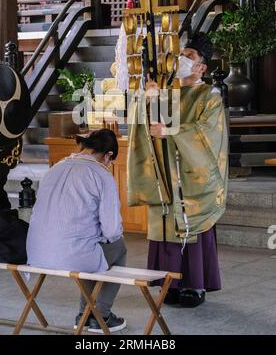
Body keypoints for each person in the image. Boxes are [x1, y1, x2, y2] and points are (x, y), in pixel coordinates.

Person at [128, 33, 228, 307]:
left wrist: (171, 131)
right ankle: (166, 281)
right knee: (165, 223)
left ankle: (194, 284)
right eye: (181, 54)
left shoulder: (210, 95)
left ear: (202, 68)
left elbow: (208, 134)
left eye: (190, 56)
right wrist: (147, 99)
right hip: (167, 174)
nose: (182, 60)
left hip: (192, 177)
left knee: (190, 224)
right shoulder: (165, 91)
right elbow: (147, 127)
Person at [26, 129, 127, 333]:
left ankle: (86, 314)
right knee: (117, 247)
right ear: (107, 155)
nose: (109, 165)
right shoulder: (101, 175)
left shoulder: (55, 168)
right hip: (71, 256)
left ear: (84, 146)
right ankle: (101, 316)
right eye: (111, 160)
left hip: (35, 252)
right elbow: (111, 229)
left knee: (90, 248)